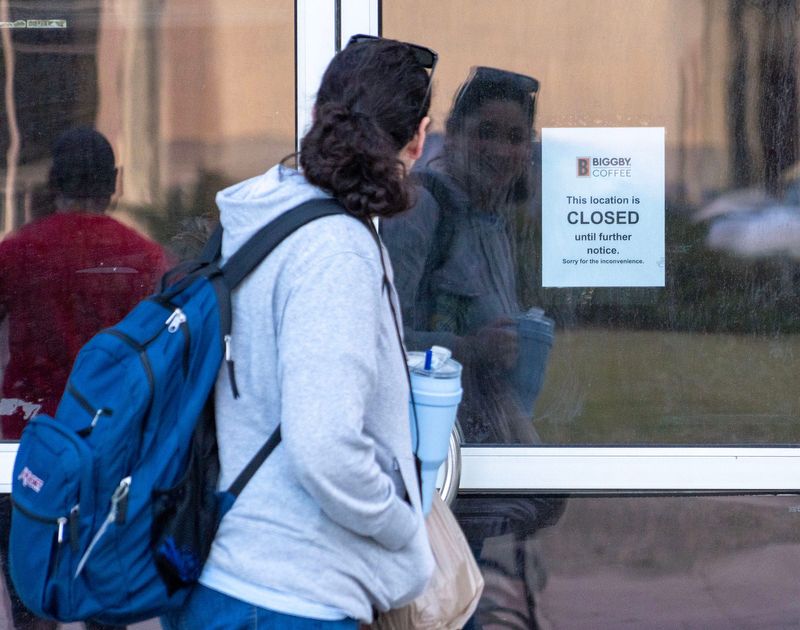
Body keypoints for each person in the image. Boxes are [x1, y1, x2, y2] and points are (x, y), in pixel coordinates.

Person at [161, 35, 437, 630]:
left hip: (232, 583)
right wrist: (403, 526)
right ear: (419, 137)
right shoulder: (335, 251)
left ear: (317, 117)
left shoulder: (269, 219)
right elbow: (325, 449)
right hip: (288, 597)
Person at [382, 67, 565, 629]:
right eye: (486, 131)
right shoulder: (419, 212)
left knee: (462, 597)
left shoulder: (491, 221)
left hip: (476, 458)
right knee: (439, 607)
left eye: (514, 139)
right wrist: (470, 347)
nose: (500, 150)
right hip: (432, 466)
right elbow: (380, 337)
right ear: (452, 135)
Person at [0, 127, 169, 630]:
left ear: (51, 184)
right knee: (102, 589)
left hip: (23, 446)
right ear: (115, 183)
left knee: (28, 587)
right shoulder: (147, 258)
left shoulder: (16, 253)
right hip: (111, 449)